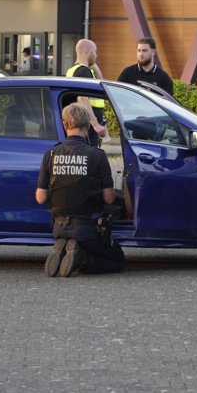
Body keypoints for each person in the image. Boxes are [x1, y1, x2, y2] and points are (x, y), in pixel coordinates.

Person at [36, 102, 126, 277]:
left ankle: (65, 242)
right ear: (87, 126)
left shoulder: (51, 154)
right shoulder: (97, 155)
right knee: (116, 261)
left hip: (58, 225)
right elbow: (108, 199)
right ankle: (81, 258)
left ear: (64, 124)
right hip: (86, 227)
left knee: (77, 234)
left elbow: (40, 197)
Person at [64, 38, 109, 145]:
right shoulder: (83, 71)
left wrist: (94, 66)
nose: (96, 55)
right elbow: (82, 98)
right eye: (95, 51)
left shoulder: (73, 70)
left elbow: (102, 85)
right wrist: (95, 124)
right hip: (87, 124)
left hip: (82, 122)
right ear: (87, 51)